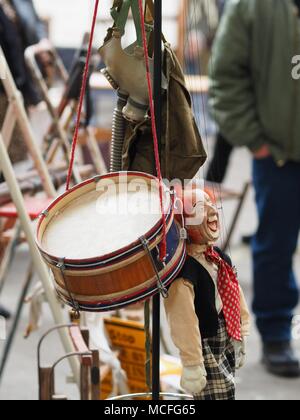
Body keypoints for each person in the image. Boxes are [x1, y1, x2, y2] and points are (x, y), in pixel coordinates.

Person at [209, 0, 300, 377]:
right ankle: (276, 334)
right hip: (279, 153)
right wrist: (256, 141)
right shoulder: (255, 6)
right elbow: (225, 76)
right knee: (275, 244)